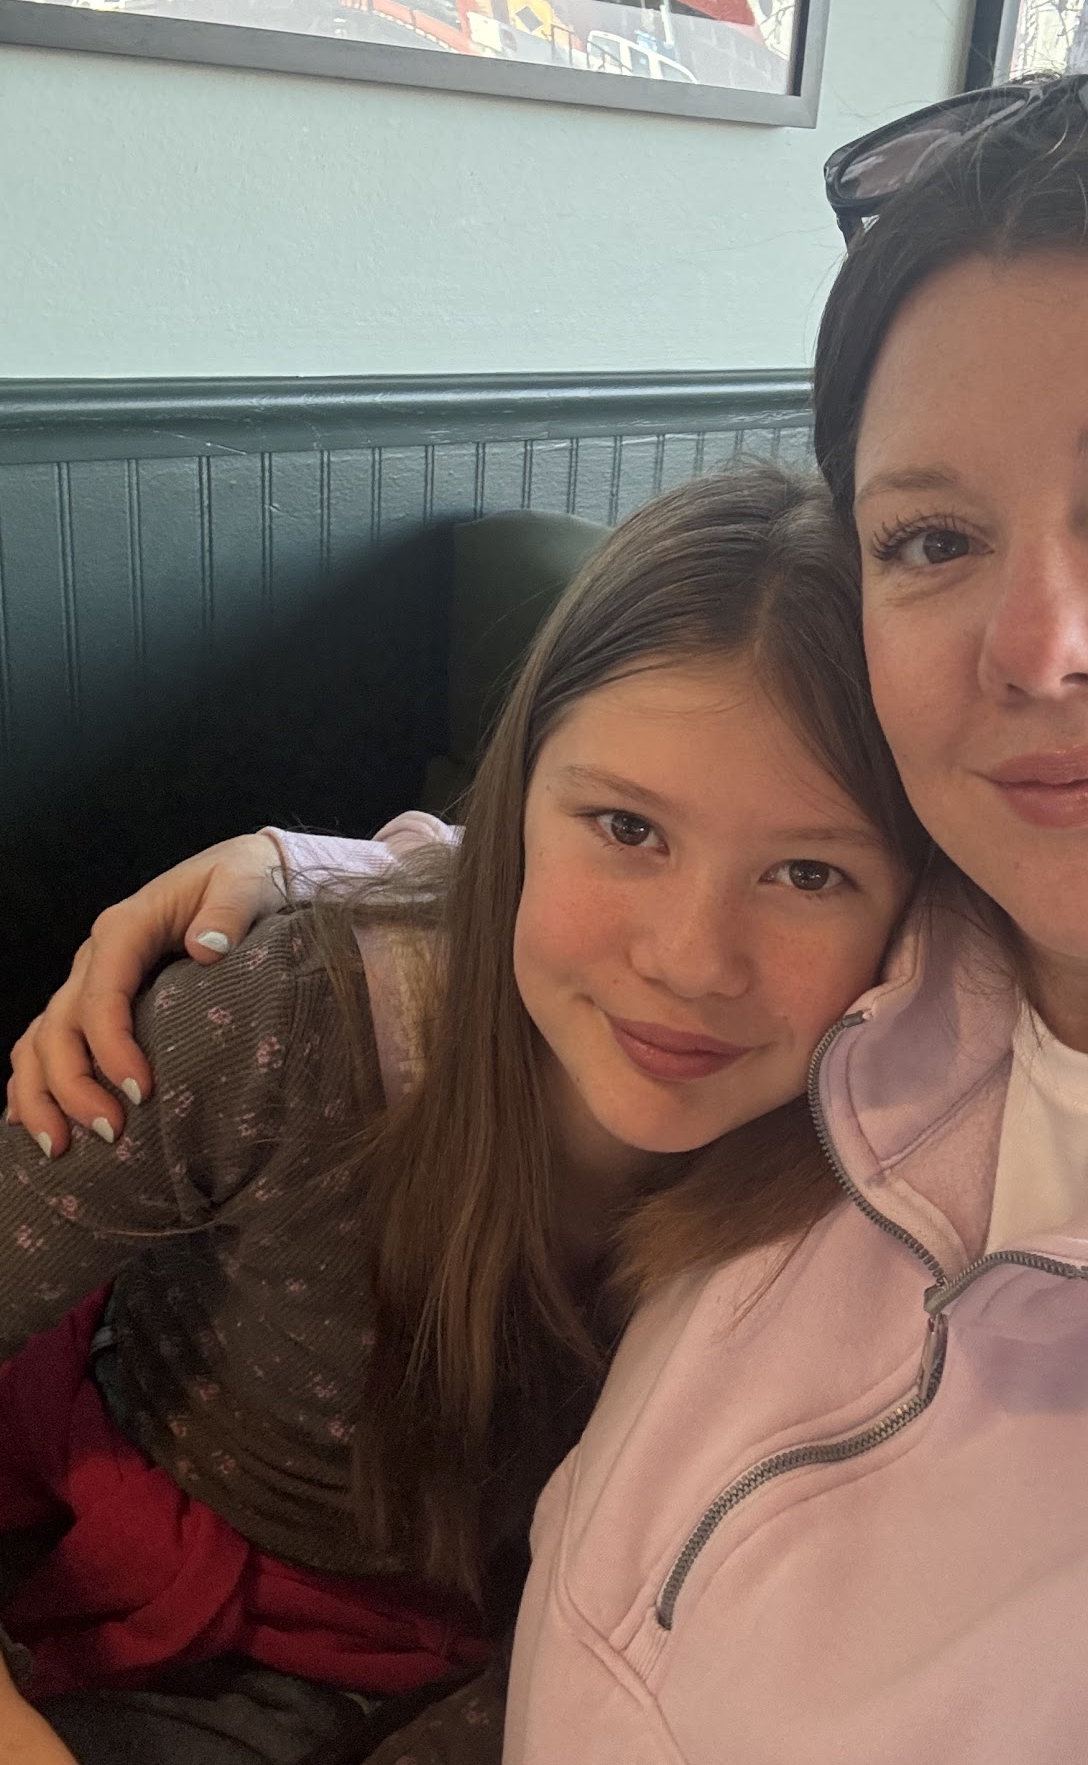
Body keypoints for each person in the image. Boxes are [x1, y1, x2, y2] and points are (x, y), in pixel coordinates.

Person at [15, 41, 1088, 1762]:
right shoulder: (909, 966)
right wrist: (330, 877)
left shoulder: (903, 1019)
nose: (1041, 649)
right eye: (932, 537)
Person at [0, 466, 920, 1764]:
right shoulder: (289, 1017)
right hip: (104, 1573)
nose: (690, 960)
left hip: (519, 1667)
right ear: (516, 808)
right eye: (627, 828)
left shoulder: (896, 1180)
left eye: (810, 872)